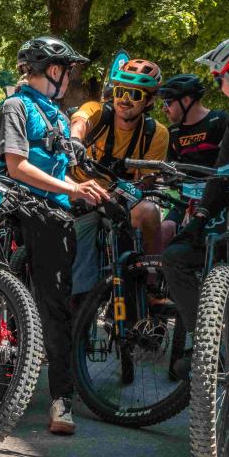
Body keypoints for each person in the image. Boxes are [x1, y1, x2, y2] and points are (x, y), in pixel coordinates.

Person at [0, 35, 108, 436]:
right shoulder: (15, 106)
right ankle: (27, 385)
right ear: (54, 70)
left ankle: (61, 396)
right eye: (68, 70)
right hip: (19, 206)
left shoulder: (57, 115)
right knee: (34, 299)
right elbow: (16, 165)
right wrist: (73, 190)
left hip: (53, 207)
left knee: (56, 303)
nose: (71, 77)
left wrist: (93, 185)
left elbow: (66, 167)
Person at [68, 59, 169, 299]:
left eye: (134, 94)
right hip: (81, 190)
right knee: (81, 238)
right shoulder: (98, 111)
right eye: (120, 91)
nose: (124, 99)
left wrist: (125, 192)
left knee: (150, 211)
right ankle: (80, 301)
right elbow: (81, 121)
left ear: (149, 101)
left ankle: (151, 281)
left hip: (121, 196)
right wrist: (75, 140)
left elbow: (147, 181)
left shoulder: (156, 133)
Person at [163, 35, 229, 379]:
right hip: (210, 206)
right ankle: (205, 343)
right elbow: (223, 174)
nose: (220, 87)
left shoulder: (220, 121)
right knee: (175, 255)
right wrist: (201, 216)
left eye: (221, 78)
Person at [158, 74, 229, 244]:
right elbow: (169, 168)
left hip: (220, 198)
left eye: (168, 102)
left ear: (187, 100)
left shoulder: (220, 121)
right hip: (186, 199)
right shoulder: (172, 133)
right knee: (164, 231)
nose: (164, 109)